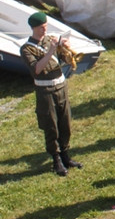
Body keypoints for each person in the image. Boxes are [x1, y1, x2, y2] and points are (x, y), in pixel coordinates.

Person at [21, 11, 81, 176]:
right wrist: (50, 51)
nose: (44, 30)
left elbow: (65, 59)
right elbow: (37, 69)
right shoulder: (27, 49)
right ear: (34, 28)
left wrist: (66, 48)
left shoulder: (50, 40)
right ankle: (56, 159)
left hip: (60, 86)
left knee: (65, 122)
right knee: (51, 125)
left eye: (45, 26)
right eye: (41, 27)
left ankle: (65, 154)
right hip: (45, 89)